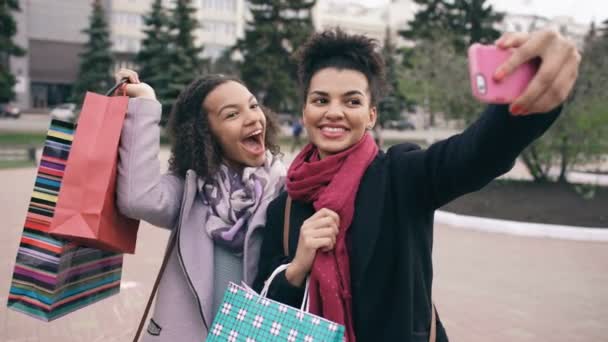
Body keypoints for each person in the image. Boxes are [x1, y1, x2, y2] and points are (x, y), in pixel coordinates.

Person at [254, 28, 580, 342]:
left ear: (371, 116)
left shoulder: (402, 175)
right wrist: (297, 267)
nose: (334, 112)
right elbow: (264, 303)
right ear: (305, 110)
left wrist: (535, 91)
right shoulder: (284, 206)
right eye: (321, 100)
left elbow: (477, 153)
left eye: (351, 102)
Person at [113, 69, 286, 341]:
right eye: (232, 114)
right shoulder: (190, 190)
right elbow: (137, 198)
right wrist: (145, 102)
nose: (252, 117)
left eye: (253, 106)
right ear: (205, 134)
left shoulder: (282, 189)